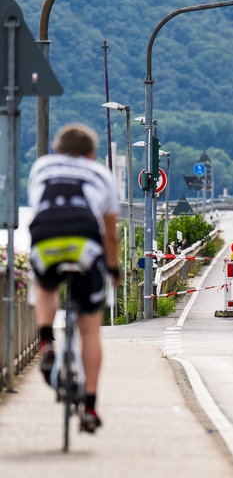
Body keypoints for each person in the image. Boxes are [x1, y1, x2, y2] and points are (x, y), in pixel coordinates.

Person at [28, 123, 121, 433]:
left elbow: (40, 206)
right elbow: (110, 234)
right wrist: (113, 269)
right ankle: (91, 406)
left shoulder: (42, 166)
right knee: (90, 329)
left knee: (44, 284)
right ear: (92, 154)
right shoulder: (101, 174)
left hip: (45, 238)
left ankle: (45, 342)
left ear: (57, 149)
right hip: (85, 242)